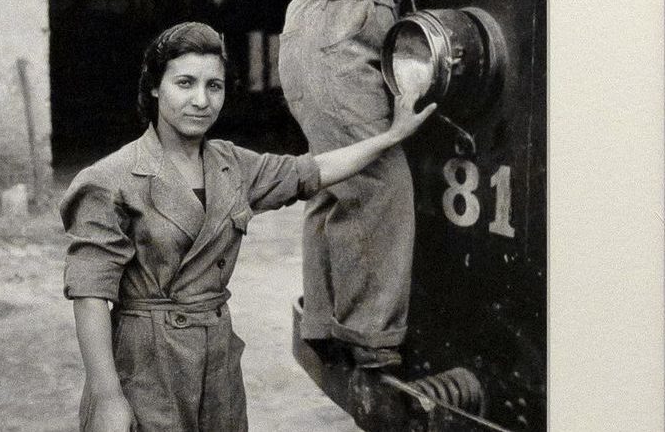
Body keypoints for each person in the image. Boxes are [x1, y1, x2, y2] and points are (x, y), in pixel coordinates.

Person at [61, 22, 435, 431]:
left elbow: (313, 169)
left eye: (214, 86)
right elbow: (90, 295)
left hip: (217, 363)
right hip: (144, 366)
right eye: (185, 83)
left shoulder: (232, 165)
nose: (200, 100)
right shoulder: (109, 179)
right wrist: (108, 395)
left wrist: (390, 136)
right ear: (154, 87)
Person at [278, 0, 521, 369]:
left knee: (336, 181)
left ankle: (328, 323)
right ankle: (370, 338)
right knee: (378, 182)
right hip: (335, 33)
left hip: (338, 29)